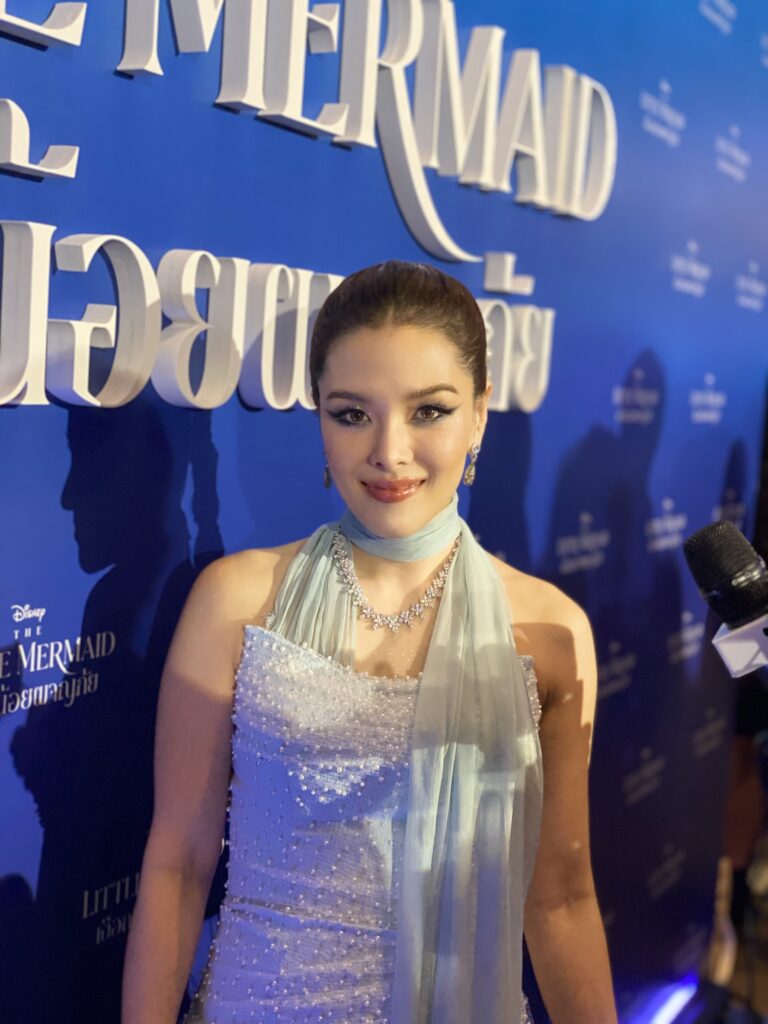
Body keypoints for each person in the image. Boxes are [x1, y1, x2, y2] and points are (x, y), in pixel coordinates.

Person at [122, 261, 617, 1024]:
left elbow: (559, 896)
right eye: (353, 414)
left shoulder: (551, 634)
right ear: (318, 416)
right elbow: (178, 867)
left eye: (429, 411)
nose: (390, 451)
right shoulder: (235, 602)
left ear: (479, 415)